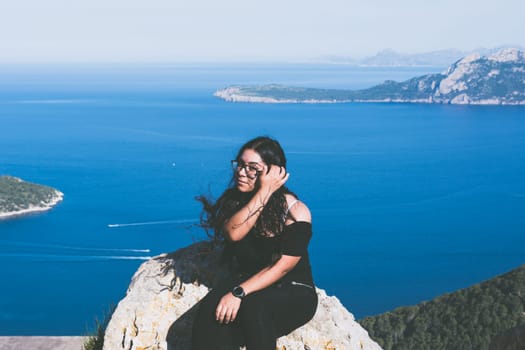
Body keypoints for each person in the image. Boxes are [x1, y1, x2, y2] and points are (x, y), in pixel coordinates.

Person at [191, 136, 318, 350]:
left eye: (252, 168)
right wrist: (263, 193)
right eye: (240, 164)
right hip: (250, 282)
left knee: (255, 309)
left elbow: (284, 267)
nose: (241, 172)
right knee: (212, 312)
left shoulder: (296, 212)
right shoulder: (236, 201)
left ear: (274, 172)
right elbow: (234, 234)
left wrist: (239, 292)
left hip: (293, 290)